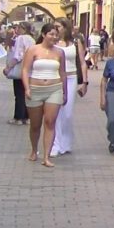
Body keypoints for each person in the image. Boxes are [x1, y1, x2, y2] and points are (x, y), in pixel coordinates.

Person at [21, 23, 67, 168]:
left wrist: (64, 91)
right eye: (51, 34)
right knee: (35, 124)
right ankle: (34, 150)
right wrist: (27, 88)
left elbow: (63, 73)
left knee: (50, 122)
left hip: (54, 89)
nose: (54, 37)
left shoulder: (60, 52)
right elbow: (25, 70)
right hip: (35, 88)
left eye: (56, 34)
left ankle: (46, 156)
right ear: (43, 35)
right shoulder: (33, 50)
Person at [51, 18, 88, 156]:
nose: (55, 29)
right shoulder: (52, 42)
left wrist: (84, 82)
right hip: (55, 78)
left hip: (71, 78)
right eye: (54, 27)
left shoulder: (75, 43)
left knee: (67, 113)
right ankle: (55, 144)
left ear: (65, 28)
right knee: (55, 112)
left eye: (58, 26)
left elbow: (83, 62)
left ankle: (66, 142)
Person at [4, 22, 35, 125]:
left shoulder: (21, 38)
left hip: (20, 69)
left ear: (23, 28)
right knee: (26, 93)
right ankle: (27, 117)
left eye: (18, 27)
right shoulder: (32, 39)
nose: (17, 29)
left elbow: (18, 55)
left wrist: (8, 67)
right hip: (30, 70)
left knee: (19, 94)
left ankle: (18, 117)